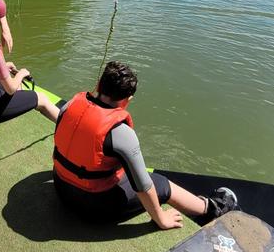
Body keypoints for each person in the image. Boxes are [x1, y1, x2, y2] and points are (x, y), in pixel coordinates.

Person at [52, 61, 237, 230]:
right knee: (160, 184)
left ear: (99, 85)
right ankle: (211, 208)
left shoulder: (69, 106)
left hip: (61, 188)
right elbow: (143, 186)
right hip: (92, 207)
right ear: (128, 99)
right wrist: (161, 219)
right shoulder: (121, 133)